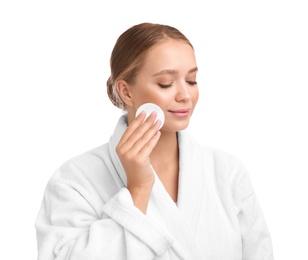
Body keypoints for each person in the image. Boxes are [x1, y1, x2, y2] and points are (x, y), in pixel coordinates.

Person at [35, 22, 274, 260]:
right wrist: (137, 190)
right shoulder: (74, 181)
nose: (185, 95)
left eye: (191, 80)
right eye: (166, 83)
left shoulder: (227, 172)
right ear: (126, 92)